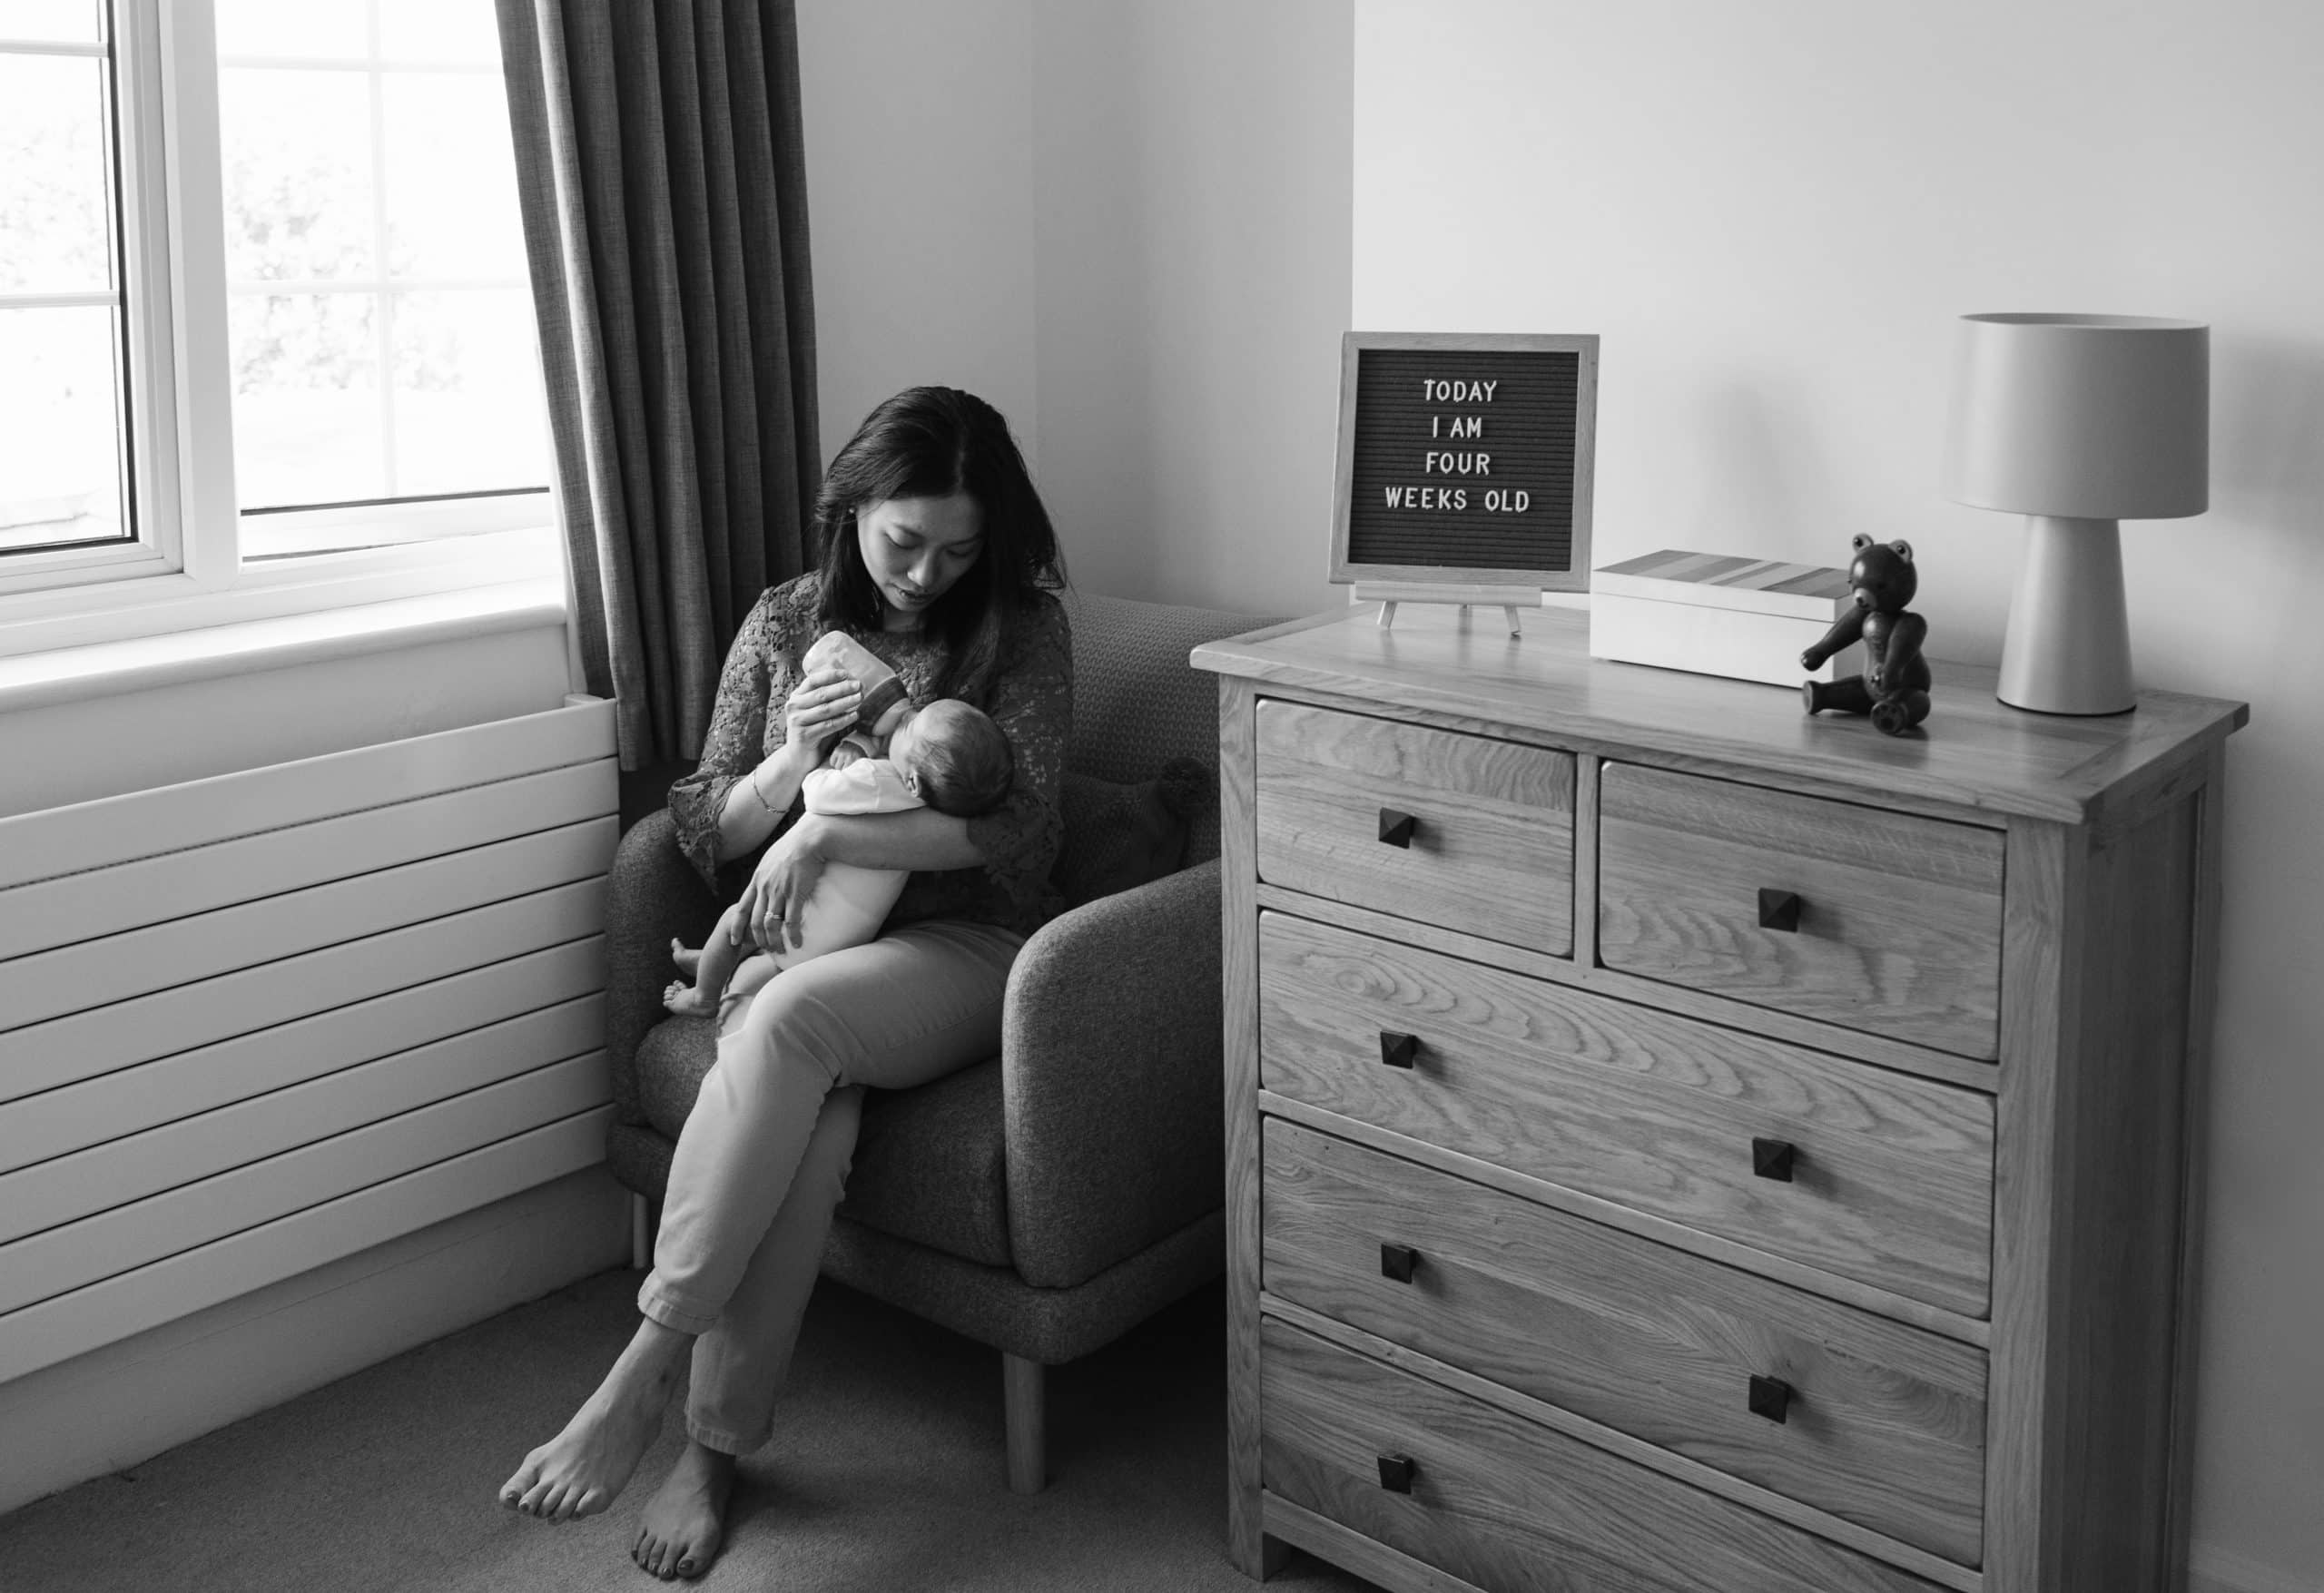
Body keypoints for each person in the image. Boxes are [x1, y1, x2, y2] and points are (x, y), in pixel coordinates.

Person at [497, 387, 1070, 1582]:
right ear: (851, 507)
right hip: (808, 943)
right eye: (903, 538)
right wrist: (794, 769)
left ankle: (643, 1364)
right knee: (807, 1107)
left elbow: (1019, 834)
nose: (926, 571)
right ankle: (712, 1447)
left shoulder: (1022, 628)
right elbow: (704, 825)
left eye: (958, 547)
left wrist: (830, 838)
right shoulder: (786, 622)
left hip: (965, 951)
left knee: (794, 1013)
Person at [662, 693, 1016, 1018]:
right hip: (846, 937)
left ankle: (703, 997)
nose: (907, 714)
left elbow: (817, 795)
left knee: (734, 925)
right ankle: (712, 963)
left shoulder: (876, 778)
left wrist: (829, 764)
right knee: (762, 963)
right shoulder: (924, 802)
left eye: (910, 725)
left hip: (808, 922)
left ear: (912, 781)